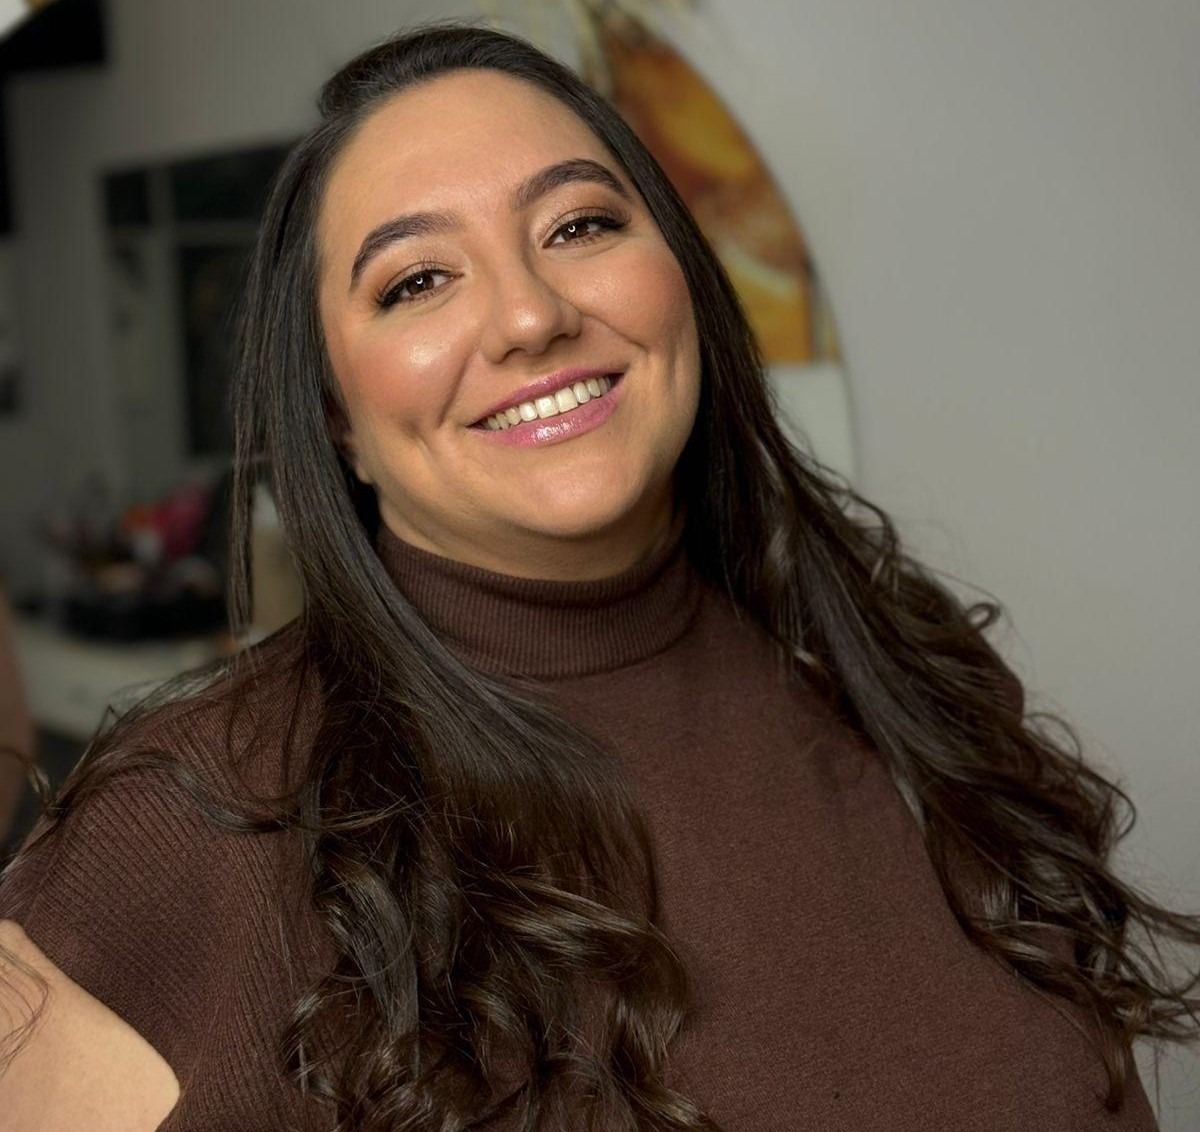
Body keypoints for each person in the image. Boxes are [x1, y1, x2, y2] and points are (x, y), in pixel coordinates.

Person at [0, 23, 1196, 1132]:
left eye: (578, 226)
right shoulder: (184, 825)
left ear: (682, 277)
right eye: (416, 281)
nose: (530, 316)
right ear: (337, 421)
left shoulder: (904, 679)